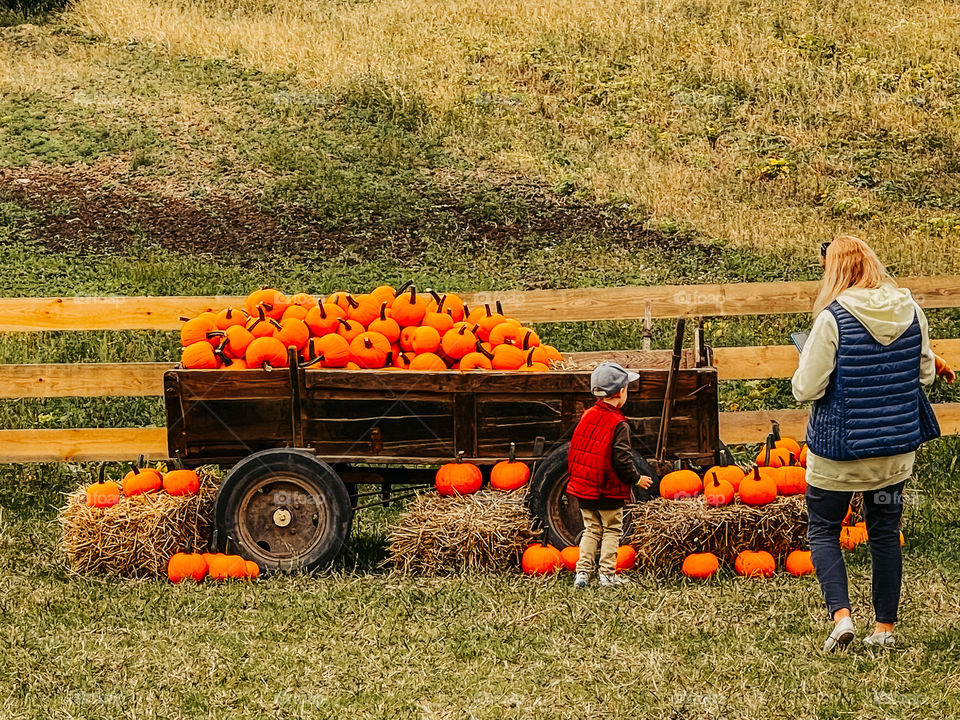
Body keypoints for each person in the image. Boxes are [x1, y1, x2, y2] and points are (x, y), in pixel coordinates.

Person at [792, 235, 952, 652]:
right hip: (895, 453)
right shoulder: (912, 310)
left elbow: (805, 388)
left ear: (836, 272)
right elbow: (924, 377)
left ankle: (842, 617)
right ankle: (884, 629)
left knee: (824, 529)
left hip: (839, 454)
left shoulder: (833, 318)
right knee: (884, 533)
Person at [566, 362, 653, 588]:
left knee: (591, 529)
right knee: (612, 529)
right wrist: (636, 479)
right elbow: (622, 460)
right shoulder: (618, 423)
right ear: (621, 392)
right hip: (607, 488)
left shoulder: (587, 415)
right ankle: (607, 574)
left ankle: (582, 573)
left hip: (584, 487)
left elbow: (577, 450)